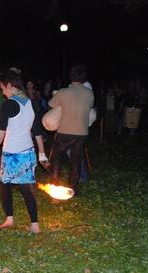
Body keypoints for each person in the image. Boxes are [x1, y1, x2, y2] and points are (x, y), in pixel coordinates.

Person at [0, 68, 48, 234]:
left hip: (12, 154)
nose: (2, 92)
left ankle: (13, 219)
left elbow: (0, 134)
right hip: (28, 152)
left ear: (9, 85)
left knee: (7, 186)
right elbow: (37, 129)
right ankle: (31, 224)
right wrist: (42, 153)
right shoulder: (29, 101)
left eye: (3, 88)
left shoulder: (9, 104)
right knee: (22, 187)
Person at [48, 65, 94, 194]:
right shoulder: (89, 93)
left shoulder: (63, 92)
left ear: (71, 76)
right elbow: (89, 107)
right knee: (76, 159)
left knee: (56, 158)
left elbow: (51, 104)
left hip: (65, 131)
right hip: (82, 132)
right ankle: (73, 188)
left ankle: (54, 187)